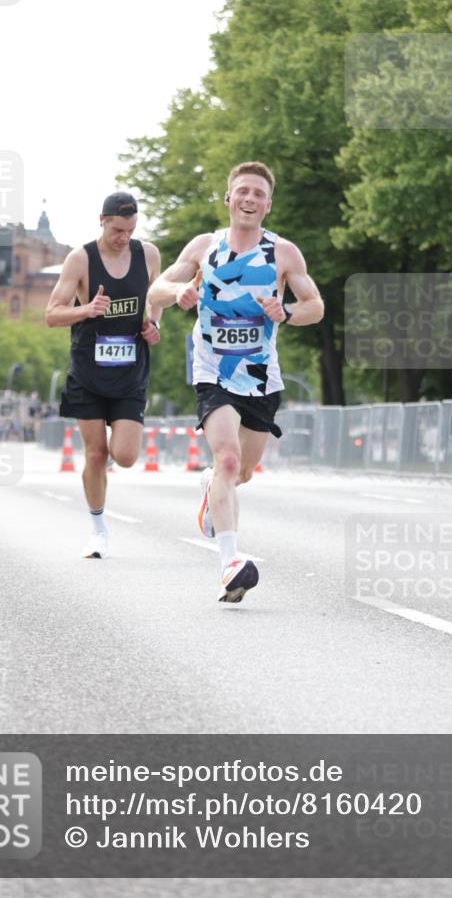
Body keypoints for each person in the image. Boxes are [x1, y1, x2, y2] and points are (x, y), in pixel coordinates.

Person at [148, 161, 324, 604]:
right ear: (228, 198)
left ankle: (212, 489)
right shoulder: (205, 247)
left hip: (262, 375)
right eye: (242, 191)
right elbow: (156, 289)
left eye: (258, 194)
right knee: (227, 459)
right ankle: (229, 564)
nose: (249, 199)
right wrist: (179, 294)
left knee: (241, 471)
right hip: (213, 368)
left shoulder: (283, 253)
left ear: (268, 204)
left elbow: (315, 306)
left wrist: (286, 313)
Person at [45, 191, 161, 558]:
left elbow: (155, 300)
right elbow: (52, 314)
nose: (123, 237)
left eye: (129, 230)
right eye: (116, 229)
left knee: (124, 456)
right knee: (96, 454)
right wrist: (87, 310)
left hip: (130, 370)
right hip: (88, 371)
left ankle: (104, 492)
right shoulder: (80, 260)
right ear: (102, 220)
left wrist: (154, 324)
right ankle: (97, 528)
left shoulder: (149, 255)